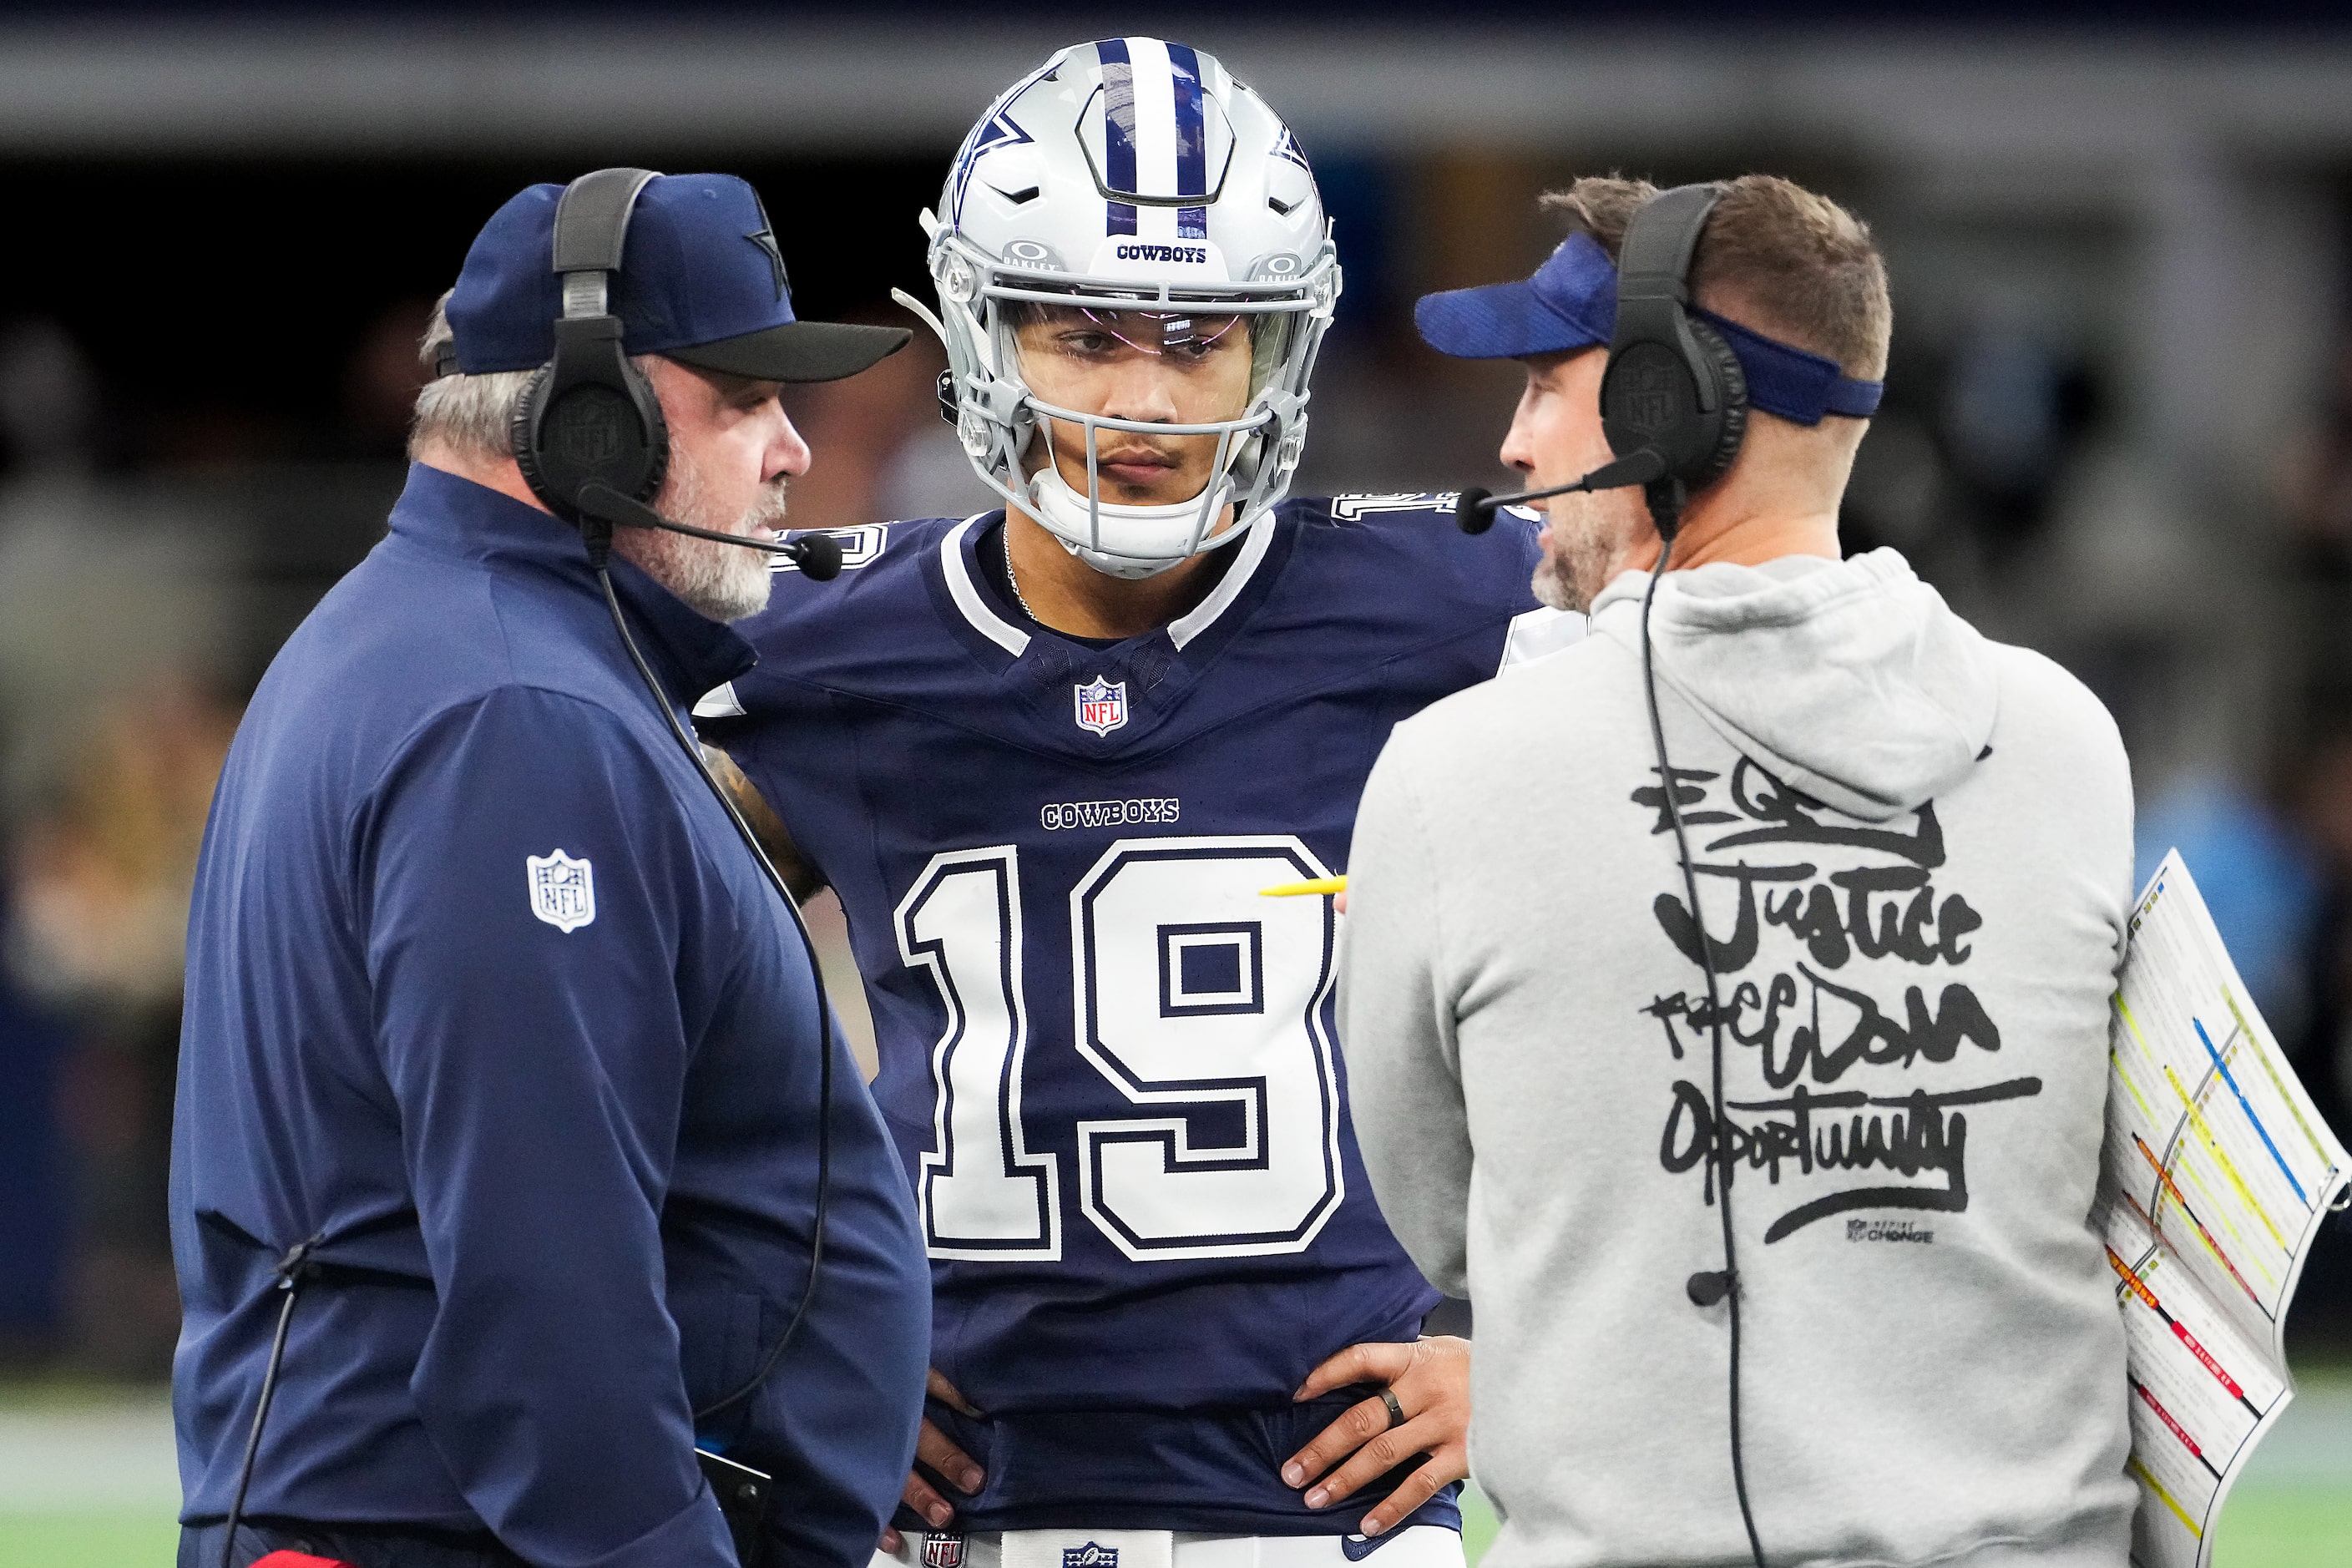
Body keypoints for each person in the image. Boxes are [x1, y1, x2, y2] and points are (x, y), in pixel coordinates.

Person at [694, 37, 1575, 1568]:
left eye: (1196, 334)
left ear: (1274, 351)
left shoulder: (1455, 602)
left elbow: (1680, 985)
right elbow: (612, 1018)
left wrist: (1534, 1352)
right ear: (982, 331)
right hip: (963, 1518)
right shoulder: (813, 646)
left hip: (1332, 1518)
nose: (1147, 395)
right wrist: (779, 1338)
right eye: (1084, 334)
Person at [1341, 174, 2138, 1568]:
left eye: (1544, 382)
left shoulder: (1451, 771)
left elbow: (1454, 1226)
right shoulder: (2070, 738)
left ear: (1666, 407)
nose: (1515, 444)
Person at [170, 172, 932, 1568]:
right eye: (743, 396)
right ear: (599, 417)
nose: (792, 451)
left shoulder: (456, 648)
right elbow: (546, 1292)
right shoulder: (513, 713)